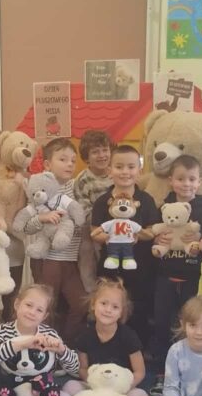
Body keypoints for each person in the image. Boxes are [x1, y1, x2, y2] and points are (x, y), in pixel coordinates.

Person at [63, 278, 166, 396]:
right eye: (103, 303)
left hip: (122, 390)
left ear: (121, 313)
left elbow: (140, 372)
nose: (108, 310)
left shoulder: (129, 336)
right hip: (95, 389)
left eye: (115, 307)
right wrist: (95, 384)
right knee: (70, 386)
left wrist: (123, 387)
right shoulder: (85, 336)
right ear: (93, 305)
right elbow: (83, 368)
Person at [150, 155, 202, 374]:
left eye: (191, 179)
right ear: (171, 180)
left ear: (199, 181)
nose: (186, 184)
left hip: (193, 277)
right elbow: (155, 233)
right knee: (162, 323)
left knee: (192, 323)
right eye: (180, 179)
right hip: (165, 276)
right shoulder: (163, 207)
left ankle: (191, 369)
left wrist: (198, 239)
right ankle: (162, 370)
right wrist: (157, 239)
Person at [90, 144, 158, 347]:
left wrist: (138, 235)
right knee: (108, 307)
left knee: (139, 309)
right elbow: (94, 231)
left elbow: (152, 229)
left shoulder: (146, 200)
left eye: (131, 167)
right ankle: (108, 347)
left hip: (141, 267)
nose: (125, 172)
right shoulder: (102, 201)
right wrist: (108, 237)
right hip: (110, 266)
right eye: (119, 167)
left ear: (139, 170)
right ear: (109, 170)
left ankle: (137, 350)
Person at [22, 138, 88, 342]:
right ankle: (43, 344)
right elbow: (26, 225)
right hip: (48, 260)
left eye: (73, 160)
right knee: (47, 306)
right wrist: (42, 218)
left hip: (70, 260)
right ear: (47, 164)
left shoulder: (74, 186)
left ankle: (63, 343)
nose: (70, 164)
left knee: (81, 304)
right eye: (63, 159)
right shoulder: (39, 188)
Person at [73, 130, 115, 292]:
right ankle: (91, 294)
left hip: (116, 228)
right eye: (95, 152)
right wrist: (102, 224)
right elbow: (83, 209)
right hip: (91, 229)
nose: (102, 155)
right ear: (86, 158)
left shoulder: (116, 173)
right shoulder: (83, 179)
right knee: (87, 259)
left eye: (105, 150)